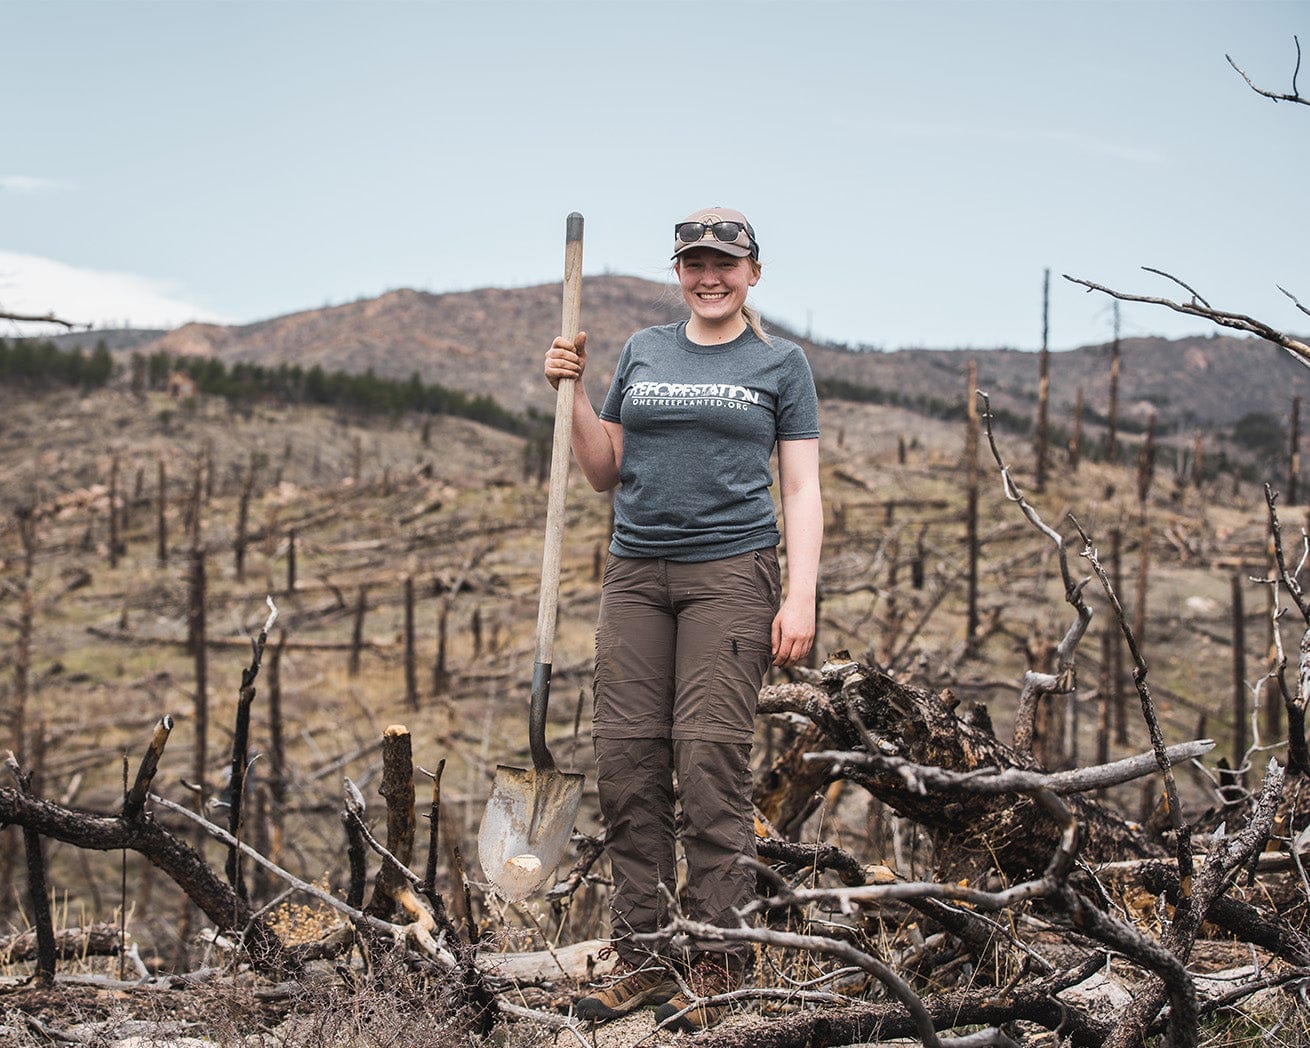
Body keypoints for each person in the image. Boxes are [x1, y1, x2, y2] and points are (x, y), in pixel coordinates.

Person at [544, 206, 822, 1032]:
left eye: (725, 264)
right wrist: (574, 392)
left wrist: (798, 594)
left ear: (753, 274)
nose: (710, 276)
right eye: (695, 263)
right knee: (627, 761)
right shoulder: (643, 350)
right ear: (678, 271)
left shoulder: (780, 363)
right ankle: (645, 958)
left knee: (708, 764)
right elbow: (604, 470)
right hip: (635, 573)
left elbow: (802, 488)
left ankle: (720, 964)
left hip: (732, 574)